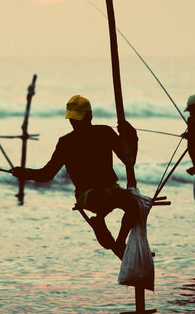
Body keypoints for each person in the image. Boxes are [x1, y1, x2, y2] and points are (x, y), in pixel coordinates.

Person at [12, 94, 139, 258]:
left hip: (111, 189)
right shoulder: (66, 142)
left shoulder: (105, 132)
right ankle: (101, 222)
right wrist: (25, 173)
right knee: (104, 201)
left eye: (78, 119)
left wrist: (131, 136)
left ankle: (120, 241)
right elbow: (47, 174)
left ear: (90, 116)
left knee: (134, 206)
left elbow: (129, 160)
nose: (75, 123)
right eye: (72, 119)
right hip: (87, 195)